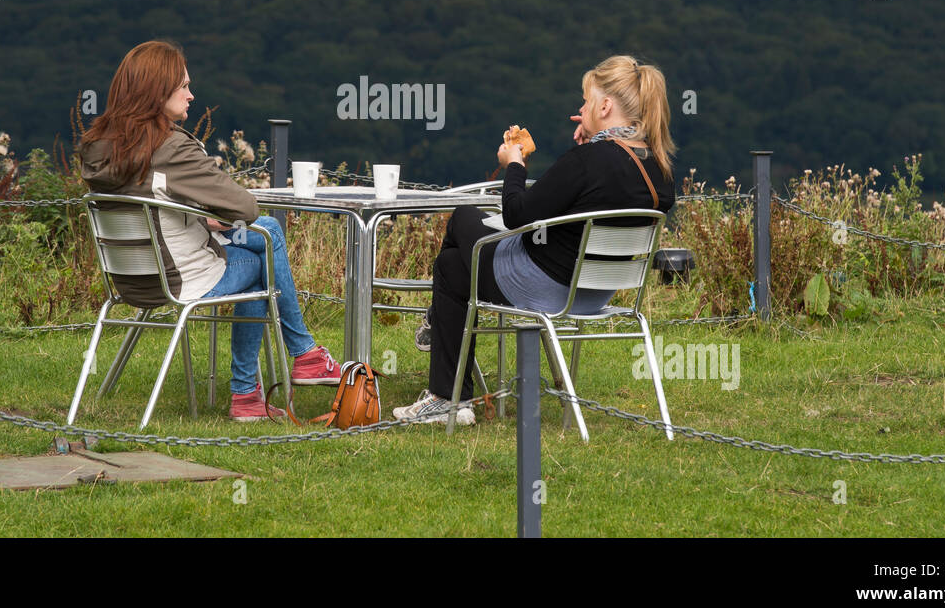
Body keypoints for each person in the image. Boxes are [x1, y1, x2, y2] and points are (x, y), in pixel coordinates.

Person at [394, 55, 677, 425]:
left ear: (605, 106)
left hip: (543, 289)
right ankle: (445, 397)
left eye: (587, 101)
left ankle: (443, 364)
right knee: (451, 268)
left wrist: (514, 163)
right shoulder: (659, 170)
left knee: (464, 217)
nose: (581, 108)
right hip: (597, 293)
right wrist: (592, 143)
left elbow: (518, 214)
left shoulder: (588, 161)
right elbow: (594, 194)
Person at [79, 40, 340, 422]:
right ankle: (298, 359)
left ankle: (273, 380)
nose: (191, 94)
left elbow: (152, 205)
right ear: (156, 92)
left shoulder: (98, 147)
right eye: (183, 86)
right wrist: (213, 213)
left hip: (129, 278)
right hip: (182, 278)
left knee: (264, 234)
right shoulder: (170, 148)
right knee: (264, 247)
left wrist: (201, 217)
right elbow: (246, 208)